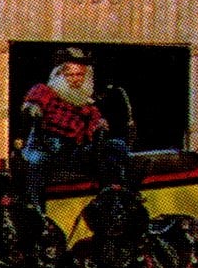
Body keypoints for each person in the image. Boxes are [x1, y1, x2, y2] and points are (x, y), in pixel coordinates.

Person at [11, 46, 131, 209]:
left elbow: (95, 127)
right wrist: (32, 109)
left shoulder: (88, 106)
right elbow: (32, 104)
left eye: (80, 74)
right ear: (60, 75)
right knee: (36, 163)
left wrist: (99, 126)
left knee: (116, 146)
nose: (75, 79)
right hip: (43, 148)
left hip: (72, 154)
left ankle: (114, 200)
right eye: (70, 74)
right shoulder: (45, 91)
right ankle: (37, 214)